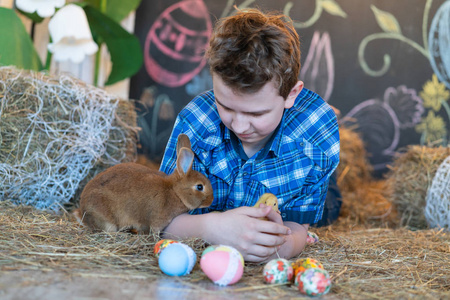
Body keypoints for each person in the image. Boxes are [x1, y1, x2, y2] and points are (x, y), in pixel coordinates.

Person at [159, 8, 340, 262]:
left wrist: (282, 243)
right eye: (225, 106)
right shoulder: (196, 123)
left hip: (295, 175)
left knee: (332, 208)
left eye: (256, 114)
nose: (240, 126)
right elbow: (161, 219)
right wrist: (212, 228)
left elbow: (298, 228)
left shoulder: (316, 131)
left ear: (291, 94)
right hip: (218, 205)